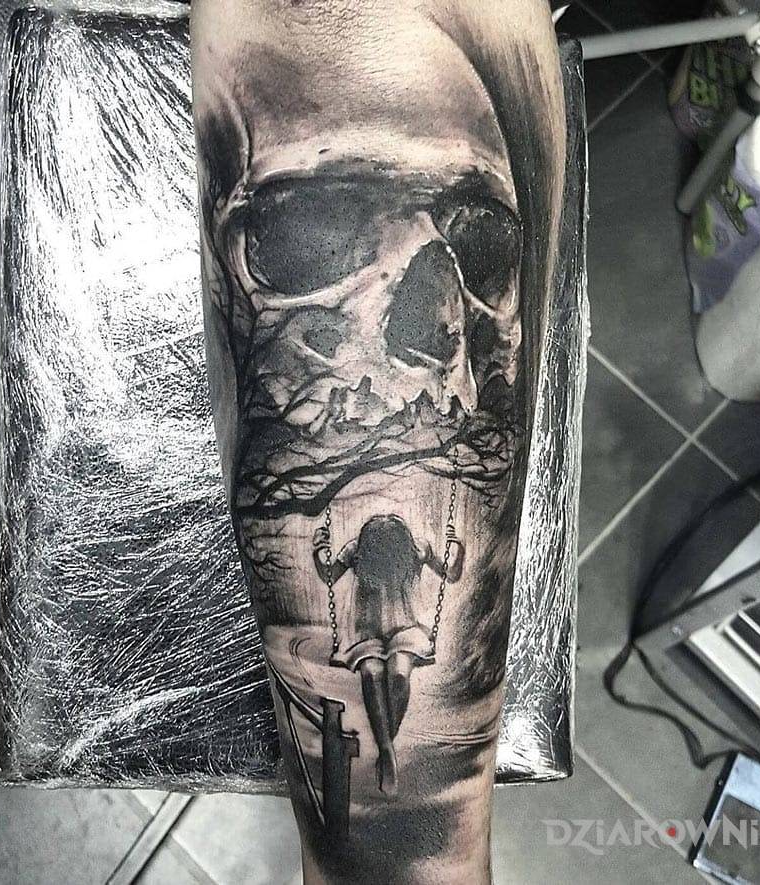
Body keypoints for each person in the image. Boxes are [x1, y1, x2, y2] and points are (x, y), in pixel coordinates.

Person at [192, 0, 564, 880]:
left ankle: (387, 755)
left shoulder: (376, 527)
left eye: (477, 249)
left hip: (378, 621)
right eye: (308, 233)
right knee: (381, 684)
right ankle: (389, 754)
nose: (432, 335)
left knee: (380, 684)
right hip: (379, 623)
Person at [313, 515, 465, 795]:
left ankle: (384, 750)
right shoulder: (355, 550)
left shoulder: (416, 549)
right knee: (371, 673)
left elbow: (451, 575)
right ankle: (387, 752)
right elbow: (329, 576)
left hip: (404, 628)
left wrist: (458, 549)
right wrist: (318, 553)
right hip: (366, 631)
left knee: (398, 675)